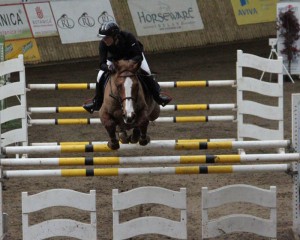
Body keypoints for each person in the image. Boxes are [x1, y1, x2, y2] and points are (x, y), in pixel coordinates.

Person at [83, 21, 172, 114]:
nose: (104, 40)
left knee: (147, 72)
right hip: (115, 60)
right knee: (99, 75)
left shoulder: (128, 36)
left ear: (115, 36)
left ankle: (158, 96)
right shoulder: (103, 44)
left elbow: (138, 56)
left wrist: (129, 64)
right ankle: (96, 102)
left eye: (106, 37)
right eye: (103, 38)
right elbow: (101, 63)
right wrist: (109, 68)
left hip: (132, 58)